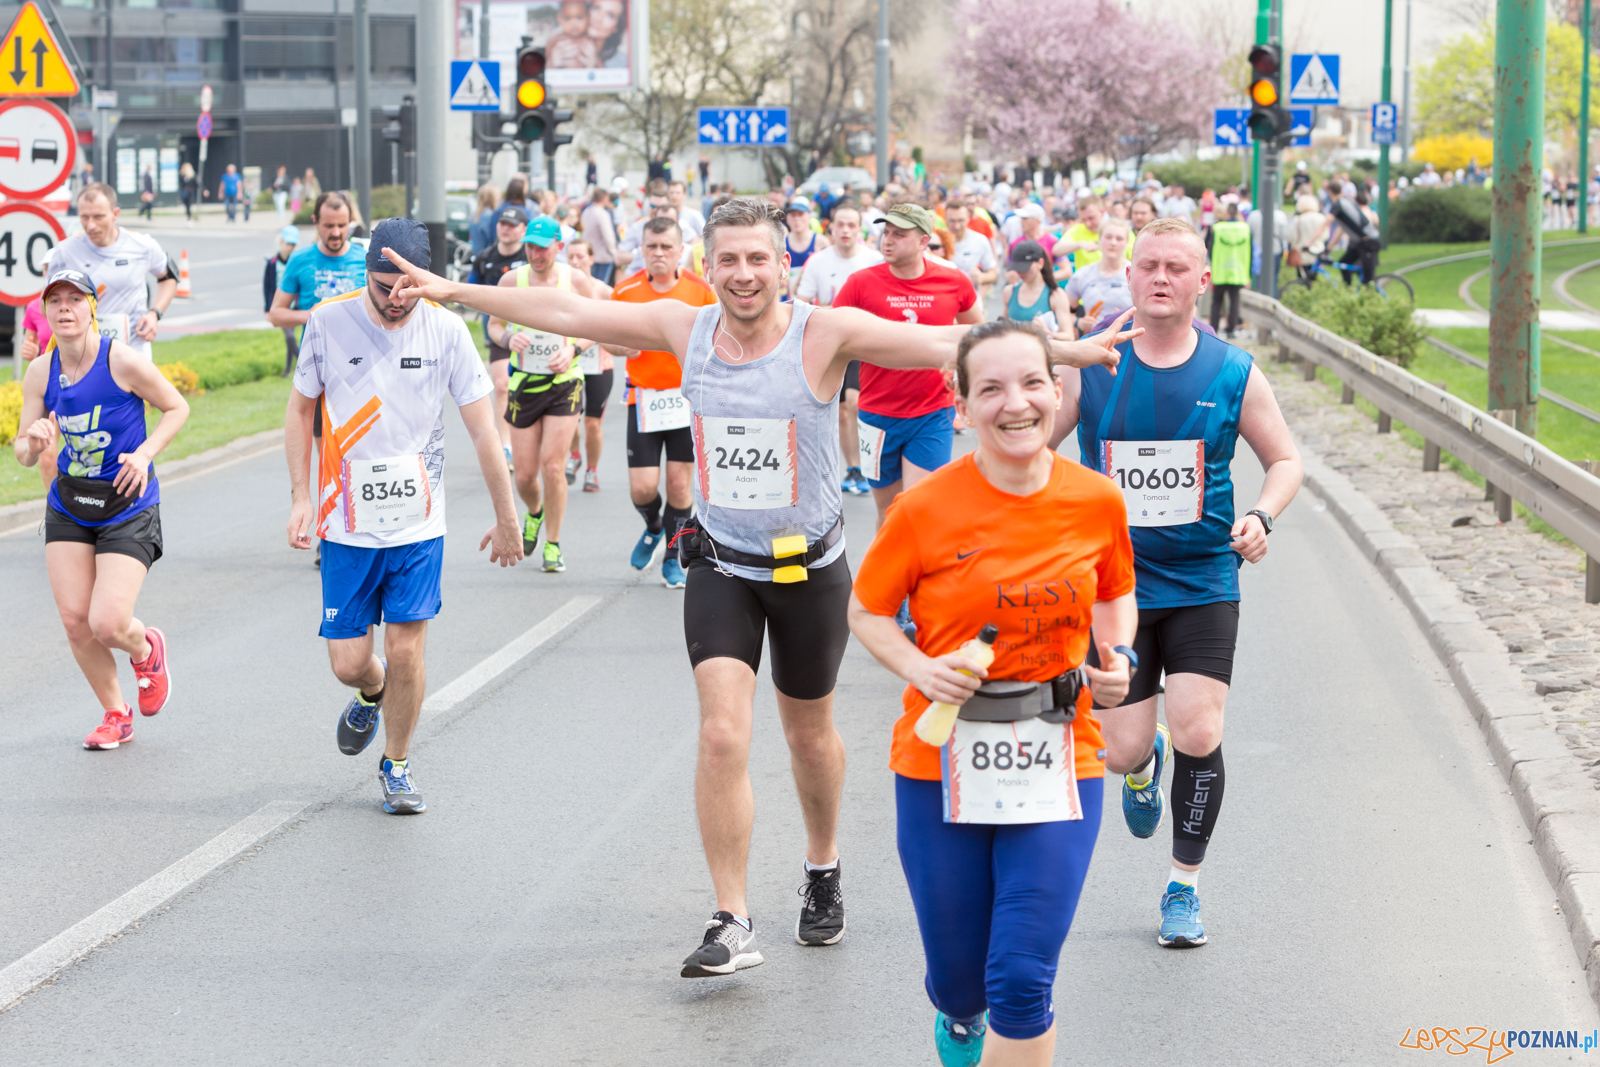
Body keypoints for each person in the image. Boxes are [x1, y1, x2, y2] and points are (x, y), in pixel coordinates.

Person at [377, 195, 1133, 981]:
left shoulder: (824, 332)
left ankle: (822, 862)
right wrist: (455, 291)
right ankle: (732, 915)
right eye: (728, 259)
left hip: (809, 570)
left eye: (757, 259)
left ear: (783, 265)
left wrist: (1070, 354)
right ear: (710, 266)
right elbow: (567, 310)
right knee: (721, 733)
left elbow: (946, 341)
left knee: (809, 737)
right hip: (723, 563)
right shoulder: (685, 326)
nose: (742, 274)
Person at [849, 317, 1137, 1067]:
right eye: (993, 388)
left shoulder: (1097, 500)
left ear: (1057, 388)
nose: (1017, 404)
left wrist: (1120, 656)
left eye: (1034, 382)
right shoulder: (923, 508)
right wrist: (917, 665)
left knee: (1018, 978)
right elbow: (867, 609)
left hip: (1060, 746)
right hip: (941, 754)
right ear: (961, 403)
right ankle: (956, 1012)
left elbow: (1115, 594)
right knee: (961, 978)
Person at [1050, 217, 1303, 949]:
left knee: (1200, 726)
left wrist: (1262, 515)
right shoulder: (1094, 360)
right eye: (1148, 265)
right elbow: (1040, 437)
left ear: (1202, 281)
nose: (1161, 278)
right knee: (1122, 750)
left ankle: (1182, 887)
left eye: (1177, 267)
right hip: (1113, 584)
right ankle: (1144, 760)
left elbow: (1285, 460)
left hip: (1200, 576)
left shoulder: (1232, 370)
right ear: (1127, 277)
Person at [284, 219, 523, 815]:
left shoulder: (446, 331)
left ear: (425, 280)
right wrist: (299, 496)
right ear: (367, 273)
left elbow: (484, 432)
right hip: (346, 522)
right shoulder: (328, 323)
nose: (395, 298)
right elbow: (299, 411)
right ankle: (372, 687)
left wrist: (507, 515)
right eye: (383, 284)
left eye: (406, 287)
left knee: (410, 650)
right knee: (348, 663)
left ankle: (396, 763)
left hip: (418, 520)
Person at [13, 268, 188, 749]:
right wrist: (34, 439)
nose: (64, 308)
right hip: (70, 503)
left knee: (107, 622)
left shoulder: (121, 361)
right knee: (75, 621)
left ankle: (145, 646)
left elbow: (176, 408)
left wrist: (146, 452)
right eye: (55, 301)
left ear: (92, 307)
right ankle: (115, 712)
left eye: (75, 299)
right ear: (45, 312)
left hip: (127, 503)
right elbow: (23, 455)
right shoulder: (39, 371)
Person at [831, 203, 982, 540]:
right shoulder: (860, 283)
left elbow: (977, 334)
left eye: (899, 234)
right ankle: (891, 592)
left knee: (919, 510)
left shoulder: (953, 281)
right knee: (889, 517)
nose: (888, 240)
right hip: (876, 416)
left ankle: (921, 593)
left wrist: (964, 377)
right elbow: (830, 336)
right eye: (886, 232)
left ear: (923, 241)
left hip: (932, 413)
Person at [485, 215, 608, 573]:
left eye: (543, 247)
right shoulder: (512, 280)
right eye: (531, 246)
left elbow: (598, 324)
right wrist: (509, 339)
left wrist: (573, 350)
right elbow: (493, 326)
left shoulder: (577, 280)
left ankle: (553, 544)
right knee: (524, 476)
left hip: (564, 383)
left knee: (552, 467)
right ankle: (534, 514)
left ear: (559, 246)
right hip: (525, 382)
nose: (536, 254)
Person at [605, 216, 717, 587]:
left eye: (666, 246)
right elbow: (606, 337)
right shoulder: (625, 291)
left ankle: (673, 555)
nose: (658, 254)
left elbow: (720, 338)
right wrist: (623, 346)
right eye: (651, 246)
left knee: (680, 486)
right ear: (641, 249)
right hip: (645, 401)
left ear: (680, 250)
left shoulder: (701, 291)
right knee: (642, 487)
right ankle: (654, 526)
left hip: (686, 401)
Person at [268, 192, 366, 567]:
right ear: (316, 222)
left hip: (362, 373)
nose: (336, 233)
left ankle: (357, 524)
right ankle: (330, 531)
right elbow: (276, 313)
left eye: (342, 225)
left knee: (358, 452)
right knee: (328, 453)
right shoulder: (302, 260)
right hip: (320, 374)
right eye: (329, 226)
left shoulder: (363, 257)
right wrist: (316, 314)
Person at [795, 203, 884, 497]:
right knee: (844, 410)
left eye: (851, 225)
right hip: (832, 343)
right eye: (840, 225)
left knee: (859, 404)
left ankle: (874, 464)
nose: (845, 230)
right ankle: (854, 468)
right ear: (830, 227)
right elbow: (802, 303)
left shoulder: (875, 260)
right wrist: (834, 312)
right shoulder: (818, 262)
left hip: (868, 341)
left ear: (860, 230)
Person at [47, 183, 178, 360]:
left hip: (133, 349)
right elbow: (46, 303)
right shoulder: (65, 251)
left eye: (98, 217)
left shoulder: (142, 245)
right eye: (84, 217)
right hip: (83, 354)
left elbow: (169, 277)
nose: (91, 225)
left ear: (115, 214)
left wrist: (155, 313)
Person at [469, 204, 533, 466]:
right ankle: (506, 447)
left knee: (529, 387)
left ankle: (528, 442)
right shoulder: (485, 257)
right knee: (503, 385)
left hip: (531, 333)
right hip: (498, 331)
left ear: (523, 230)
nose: (506, 229)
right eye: (502, 224)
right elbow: (470, 291)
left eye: (512, 225)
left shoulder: (531, 257)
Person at [564, 238, 613, 492]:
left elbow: (620, 321)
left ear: (592, 259)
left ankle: (592, 471)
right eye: (570, 257)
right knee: (570, 419)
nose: (575, 262)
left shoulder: (603, 290)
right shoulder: (561, 290)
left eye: (580, 256)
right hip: (568, 363)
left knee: (592, 423)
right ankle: (574, 454)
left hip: (599, 365)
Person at [1062, 218, 1132, 338]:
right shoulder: (1083, 275)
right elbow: (1063, 312)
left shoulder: (1136, 273)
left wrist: (1128, 318)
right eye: (1108, 237)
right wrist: (1079, 322)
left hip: (1129, 341)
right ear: (1099, 239)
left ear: (1126, 243)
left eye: (1119, 239)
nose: (1113, 243)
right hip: (1093, 342)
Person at [999, 240, 1071, 336]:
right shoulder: (1009, 292)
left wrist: (1048, 333)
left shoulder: (1056, 295)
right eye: (1017, 268)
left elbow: (1069, 336)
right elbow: (1003, 326)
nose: (1021, 273)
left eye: (1025, 268)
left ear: (1040, 263)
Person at [1321, 181, 1381, 285]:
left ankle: (1368, 296)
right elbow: (1341, 229)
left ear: (1330, 192)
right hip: (1360, 242)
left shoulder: (1340, 204)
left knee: (1368, 279)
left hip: (1368, 242)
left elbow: (1327, 224)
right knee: (1344, 264)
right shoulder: (1346, 201)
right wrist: (1330, 246)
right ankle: (1348, 291)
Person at [1206, 203, 1250, 338]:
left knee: (1217, 301)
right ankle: (1231, 329)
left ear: (1226, 213)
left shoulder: (1217, 228)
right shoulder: (1245, 228)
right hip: (1238, 270)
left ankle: (1214, 329)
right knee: (1234, 300)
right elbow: (1251, 249)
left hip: (1220, 269)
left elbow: (1209, 248)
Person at [264, 224, 301, 376]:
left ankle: (288, 370)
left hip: (295, 307)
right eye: (287, 244)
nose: (290, 248)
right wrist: (267, 308)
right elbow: (267, 287)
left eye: (293, 245)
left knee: (289, 338)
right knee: (289, 336)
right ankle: (301, 364)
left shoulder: (297, 262)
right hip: (280, 307)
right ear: (281, 243)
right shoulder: (272, 264)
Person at [945, 201, 998, 300]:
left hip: (970, 302)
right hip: (944, 300)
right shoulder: (937, 241)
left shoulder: (979, 240)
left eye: (961, 220)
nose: (957, 226)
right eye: (952, 221)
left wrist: (982, 277)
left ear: (968, 218)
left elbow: (993, 273)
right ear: (945, 219)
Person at [784, 198, 826, 299]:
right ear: (788, 219)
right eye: (793, 215)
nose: (796, 219)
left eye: (800, 214)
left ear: (809, 217)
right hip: (787, 299)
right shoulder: (781, 243)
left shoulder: (820, 242)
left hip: (813, 301)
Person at [1051, 195, 1104, 272]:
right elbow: (1057, 250)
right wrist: (1080, 244)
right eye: (1083, 219)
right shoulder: (1077, 229)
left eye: (1091, 218)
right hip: (1085, 282)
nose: (1087, 223)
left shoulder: (1115, 230)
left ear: (1102, 212)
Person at [581, 188, 619, 283]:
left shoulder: (586, 211)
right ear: (604, 198)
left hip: (589, 254)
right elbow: (608, 236)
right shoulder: (602, 214)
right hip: (603, 256)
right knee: (601, 286)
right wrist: (613, 252)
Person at [469, 183, 501, 255]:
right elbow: (493, 241)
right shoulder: (492, 215)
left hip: (477, 256)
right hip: (488, 257)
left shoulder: (473, 215)